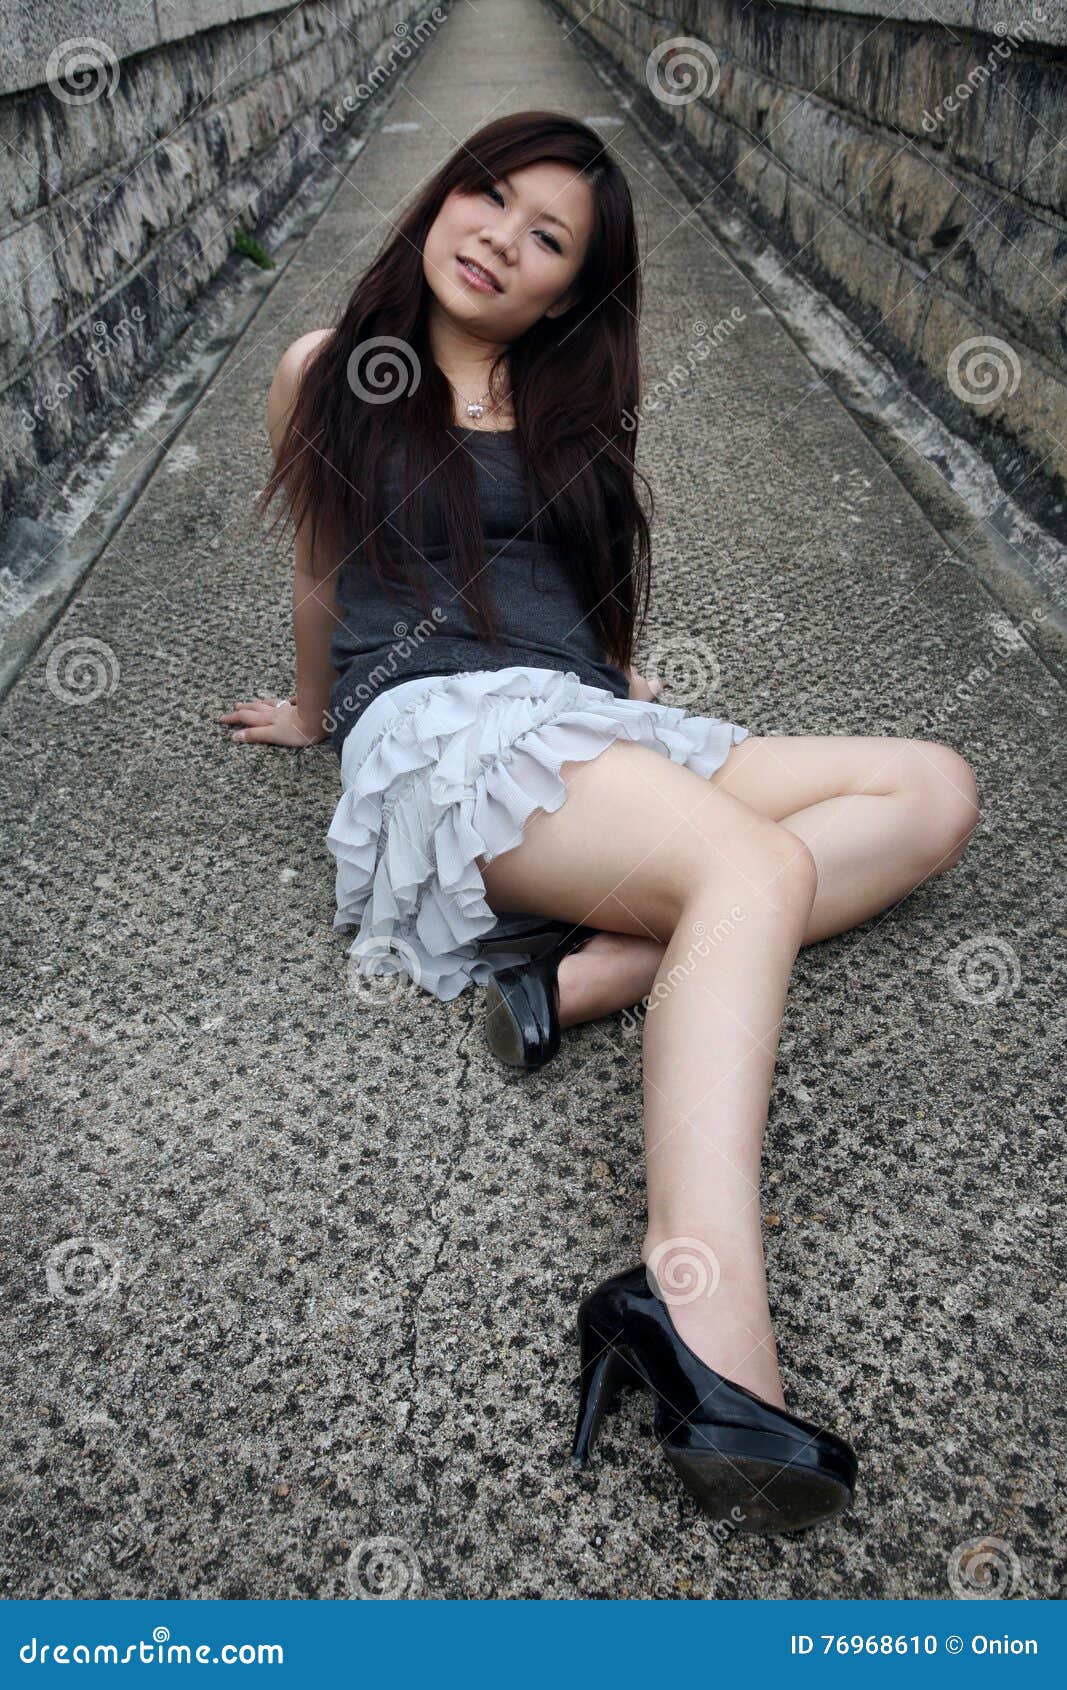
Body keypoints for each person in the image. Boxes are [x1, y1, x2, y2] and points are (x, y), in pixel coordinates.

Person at [218, 111, 980, 1534]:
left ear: (572, 288)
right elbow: (324, 569)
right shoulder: (324, 372)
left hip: (592, 731)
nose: (500, 236)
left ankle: (576, 975)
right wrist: (319, 714)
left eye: (547, 236)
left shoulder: (571, 400)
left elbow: (592, 592)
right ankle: (692, 1304)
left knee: (933, 788)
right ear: (443, 195)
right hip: (453, 739)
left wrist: (633, 709)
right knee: (751, 864)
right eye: (487, 194)